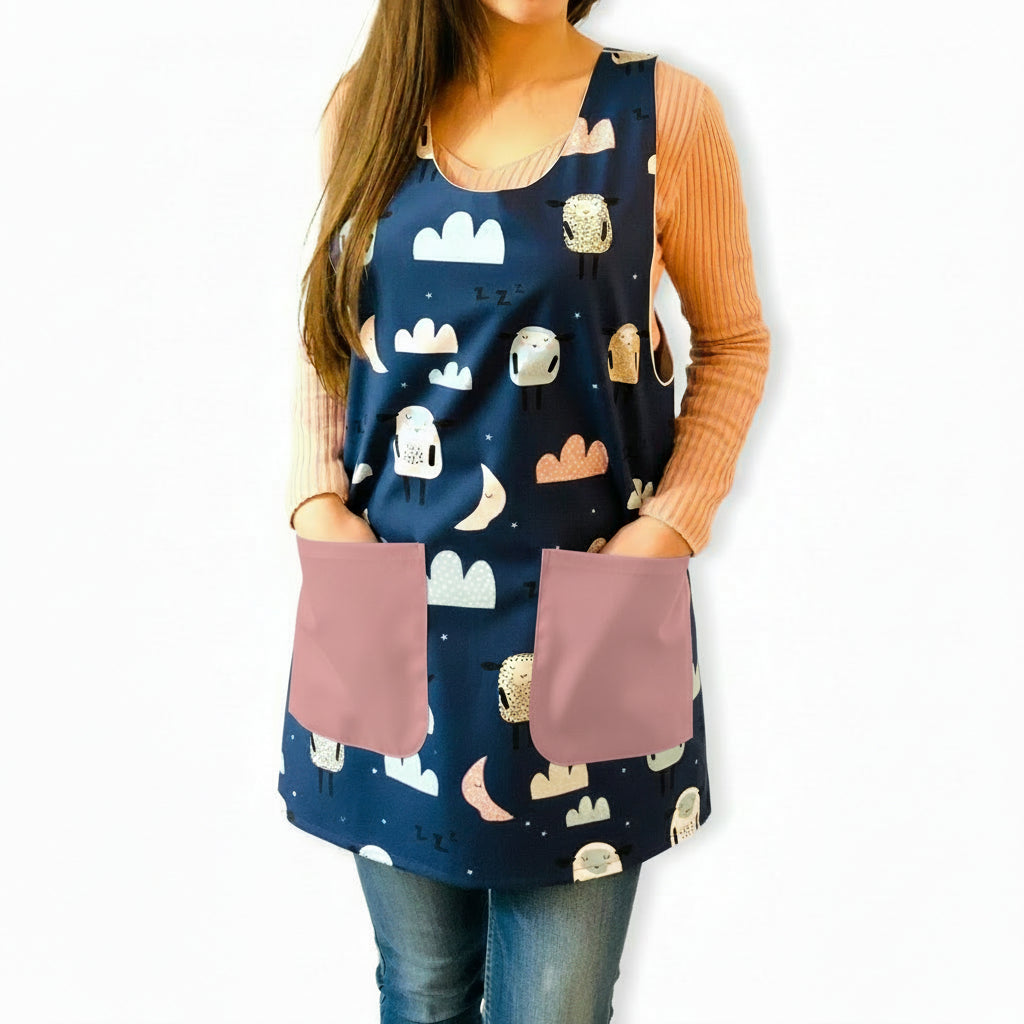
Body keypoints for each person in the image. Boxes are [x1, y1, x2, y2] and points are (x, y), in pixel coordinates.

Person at [278, 1, 770, 1020]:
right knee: (422, 991)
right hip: (390, 610)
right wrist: (315, 503)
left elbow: (734, 344)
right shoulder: (366, 107)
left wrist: (667, 529)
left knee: (556, 1006)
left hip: (593, 612)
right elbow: (330, 338)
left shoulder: (662, 113)